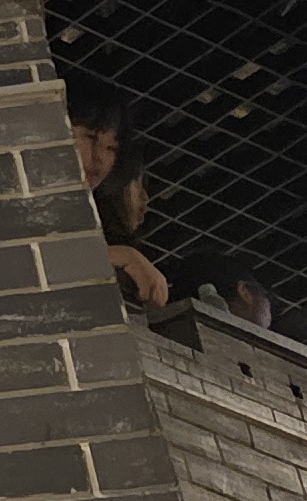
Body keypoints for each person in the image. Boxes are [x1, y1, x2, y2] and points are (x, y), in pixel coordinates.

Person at [62, 72, 272, 319]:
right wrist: (115, 256)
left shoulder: (97, 221)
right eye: (90, 137)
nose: (99, 159)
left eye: (111, 147)